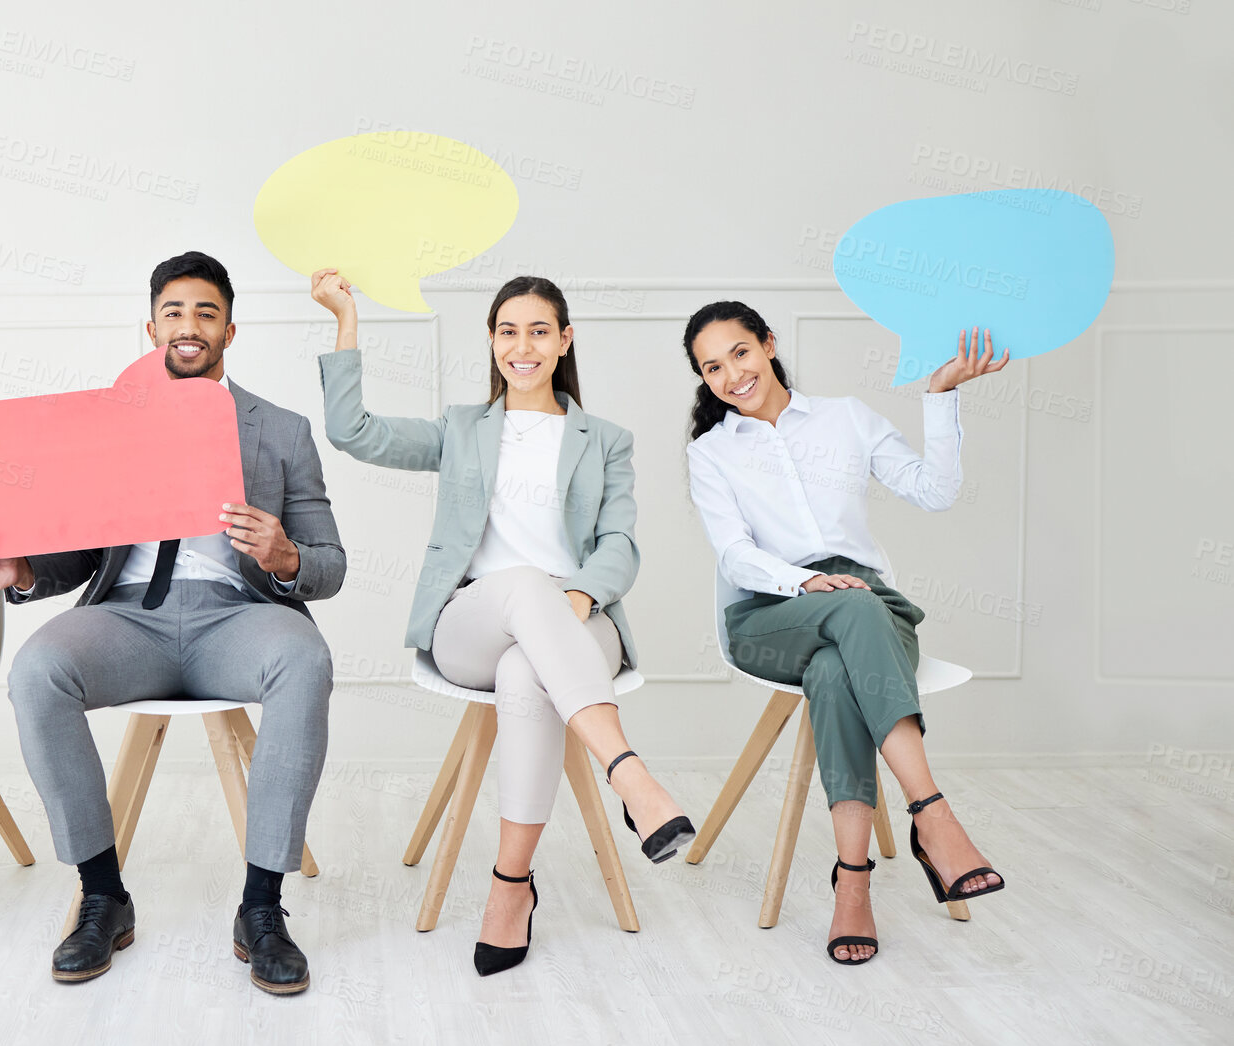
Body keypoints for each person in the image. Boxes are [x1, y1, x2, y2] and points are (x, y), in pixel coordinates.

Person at [0, 252, 345, 995]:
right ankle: (102, 893)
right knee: (38, 668)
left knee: (305, 661)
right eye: (173, 312)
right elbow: (75, 554)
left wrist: (286, 552)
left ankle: (261, 908)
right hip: (126, 618)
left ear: (230, 329)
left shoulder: (283, 430)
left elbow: (330, 564)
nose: (188, 325)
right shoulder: (107, 425)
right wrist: (23, 572)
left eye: (204, 312)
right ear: (150, 328)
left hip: (239, 614)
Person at [311, 269, 693, 977]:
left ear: (564, 339)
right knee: (520, 585)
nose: (523, 345)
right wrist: (345, 320)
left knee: (528, 671)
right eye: (508, 331)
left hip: (580, 621)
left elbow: (620, 544)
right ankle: (630, 775)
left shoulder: (603, 439)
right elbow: (351, 432)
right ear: (490, 341)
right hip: (472, 624)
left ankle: (509, 886)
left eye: (539, 330)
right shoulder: (461, 429)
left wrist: (576, 598)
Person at [684, 300, 1009, 965]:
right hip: (768, 616)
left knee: (835, 671)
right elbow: (734, 554)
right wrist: (801, 582)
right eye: (712, 367)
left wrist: (939, 396)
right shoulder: (711, 454)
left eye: (739, 353)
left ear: (768, 343)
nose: (731, 374)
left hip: (866, 609)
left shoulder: (844, 418)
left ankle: (851, 883)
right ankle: (933, 816)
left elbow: (934, 491)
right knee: (850, 609)